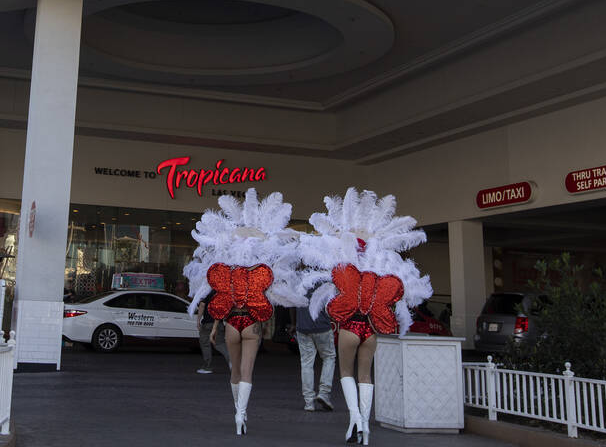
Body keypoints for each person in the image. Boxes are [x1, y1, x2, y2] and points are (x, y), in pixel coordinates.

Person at [298, 188, 433, 445]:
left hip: (349, 327)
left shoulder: (342, 257)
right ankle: (366, 430)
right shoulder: (380, 260)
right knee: (365, 376)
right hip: (371, 329)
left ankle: (355, 421)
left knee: (346, 373)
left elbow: (330, 283)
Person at [184, 189, 305, 435]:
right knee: (247, 371)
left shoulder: (228, 263)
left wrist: (216, 326)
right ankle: (242, 413)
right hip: (252, 324)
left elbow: (219, 300)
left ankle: (237, 411)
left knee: (235, 370)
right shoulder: (262, 266)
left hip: (231, 323)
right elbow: (272, 291)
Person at [290, 301, 335, 411]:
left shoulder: (298, 284)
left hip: (303, 326)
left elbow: (292, 304)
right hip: (322, 325)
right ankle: (324, 393)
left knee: (306, 363)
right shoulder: (326, 282)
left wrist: (294, 323)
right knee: (329, 357)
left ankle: (309, 402)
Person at [196, 290, 228, 373]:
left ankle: (207, 367)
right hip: (219, 323)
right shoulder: (221, 291)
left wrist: (198, 320)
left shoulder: (206, 291)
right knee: (220, 344)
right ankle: (233, 362)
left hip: (207, 323)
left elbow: (202, 305)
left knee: (205, 344)